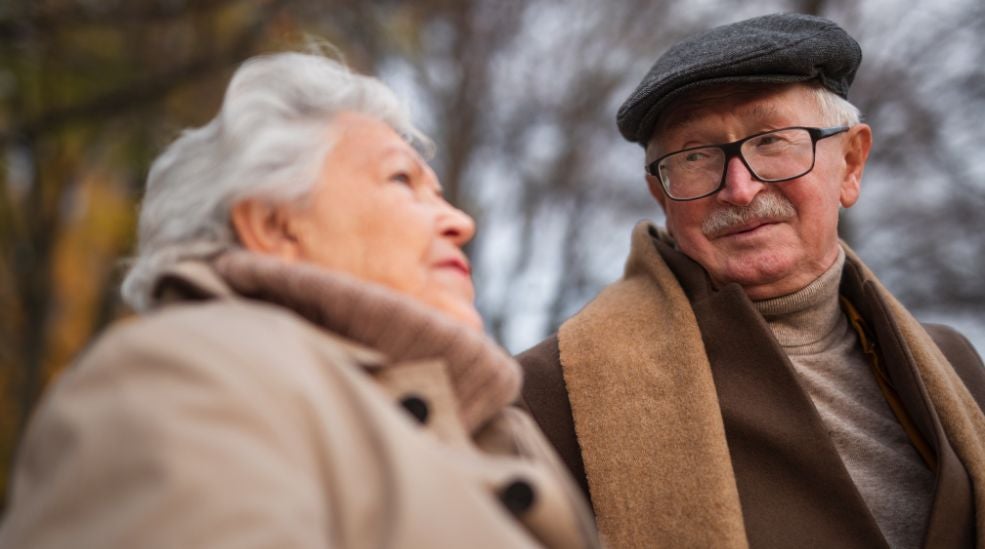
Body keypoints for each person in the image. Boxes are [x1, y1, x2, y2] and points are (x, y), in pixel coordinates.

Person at [0, 51, 600, 549]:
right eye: (401, 180)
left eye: (440, 191)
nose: (461, 222)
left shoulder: (497, 428)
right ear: (274, 225)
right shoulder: (190, 369)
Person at [518, 13, 985, 549]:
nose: (739, 190)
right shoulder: (550, 395)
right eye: (695, 156)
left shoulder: (955, 363)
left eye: (772, 142)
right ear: (661, 197)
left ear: (851, 164)